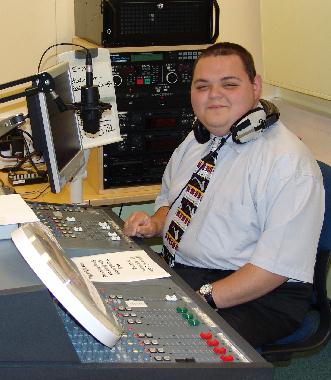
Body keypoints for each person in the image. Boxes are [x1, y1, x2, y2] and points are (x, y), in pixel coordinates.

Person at [123, 42, 325, 348]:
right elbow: (175, 205)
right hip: (189, 271)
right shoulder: (198, 139)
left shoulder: (287, 163)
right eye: (202, 86)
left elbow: (273, 270)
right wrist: (154, 224)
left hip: (260, 293)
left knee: (164, 341)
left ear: (255, 87)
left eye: (229, 84)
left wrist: (201, 297)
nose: (214, 95)